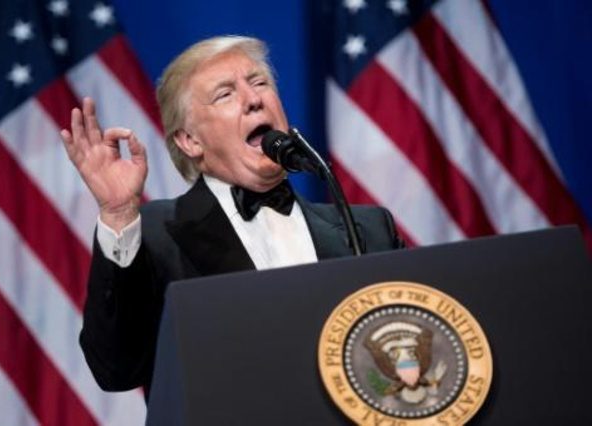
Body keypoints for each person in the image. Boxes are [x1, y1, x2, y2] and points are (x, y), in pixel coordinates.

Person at [60, 35, 404, 395]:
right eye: (225, 94)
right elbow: (116, 369)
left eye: (260, 83)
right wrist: (118, 213)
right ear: (190, 141)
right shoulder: (157, 234)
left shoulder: (369, 230)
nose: (254, 99)